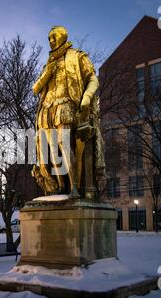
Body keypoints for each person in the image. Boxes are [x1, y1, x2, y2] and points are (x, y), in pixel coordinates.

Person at [32, 26, 105, 199]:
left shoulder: (78, 56)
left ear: (63, 36)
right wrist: (48, 71)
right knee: (51, 150)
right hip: (46, 110)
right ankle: (61, 187)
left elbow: (93, 79)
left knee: (64, 145)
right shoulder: (48, 64)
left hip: (66, 105)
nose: (50, 41)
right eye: (48, 38)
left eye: (53, 37)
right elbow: (36, 88)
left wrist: (87, 96)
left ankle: (74, 187)